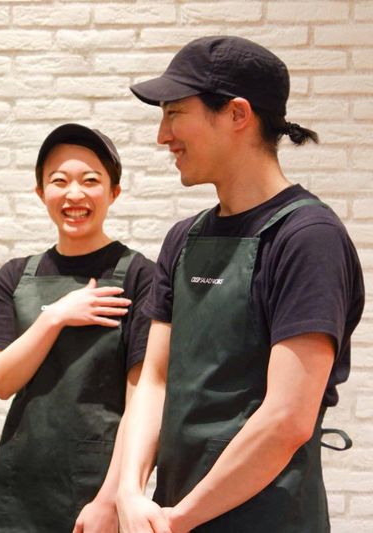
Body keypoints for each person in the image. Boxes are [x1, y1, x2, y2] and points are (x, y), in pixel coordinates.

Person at [115, 36, 364, 533]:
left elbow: (287, 419)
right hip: (170, 513)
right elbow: (155, 380)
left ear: (236, 114)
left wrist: (180, 520)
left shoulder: (307, 238)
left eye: (174, 113)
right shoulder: (184, 238)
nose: (163, 136)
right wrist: (127, 490)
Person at [0, 124, 154, 533]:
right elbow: (1, 381)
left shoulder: (140, 275)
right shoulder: (15, 276)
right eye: (59, 181)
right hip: (17, 490)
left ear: (114, 192)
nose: (74, 194)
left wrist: (111, 499)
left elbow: (144, 399)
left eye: (90, 181)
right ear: (41, 193)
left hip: (97, 488)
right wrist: (54, 316)